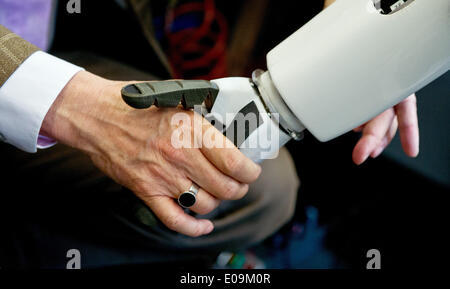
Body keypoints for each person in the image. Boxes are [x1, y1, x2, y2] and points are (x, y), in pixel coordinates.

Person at [0, 0, 418, 268]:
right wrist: (82, 108)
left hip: (51, 44)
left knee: (259, 190)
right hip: (19, 71)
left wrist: (364, 31)